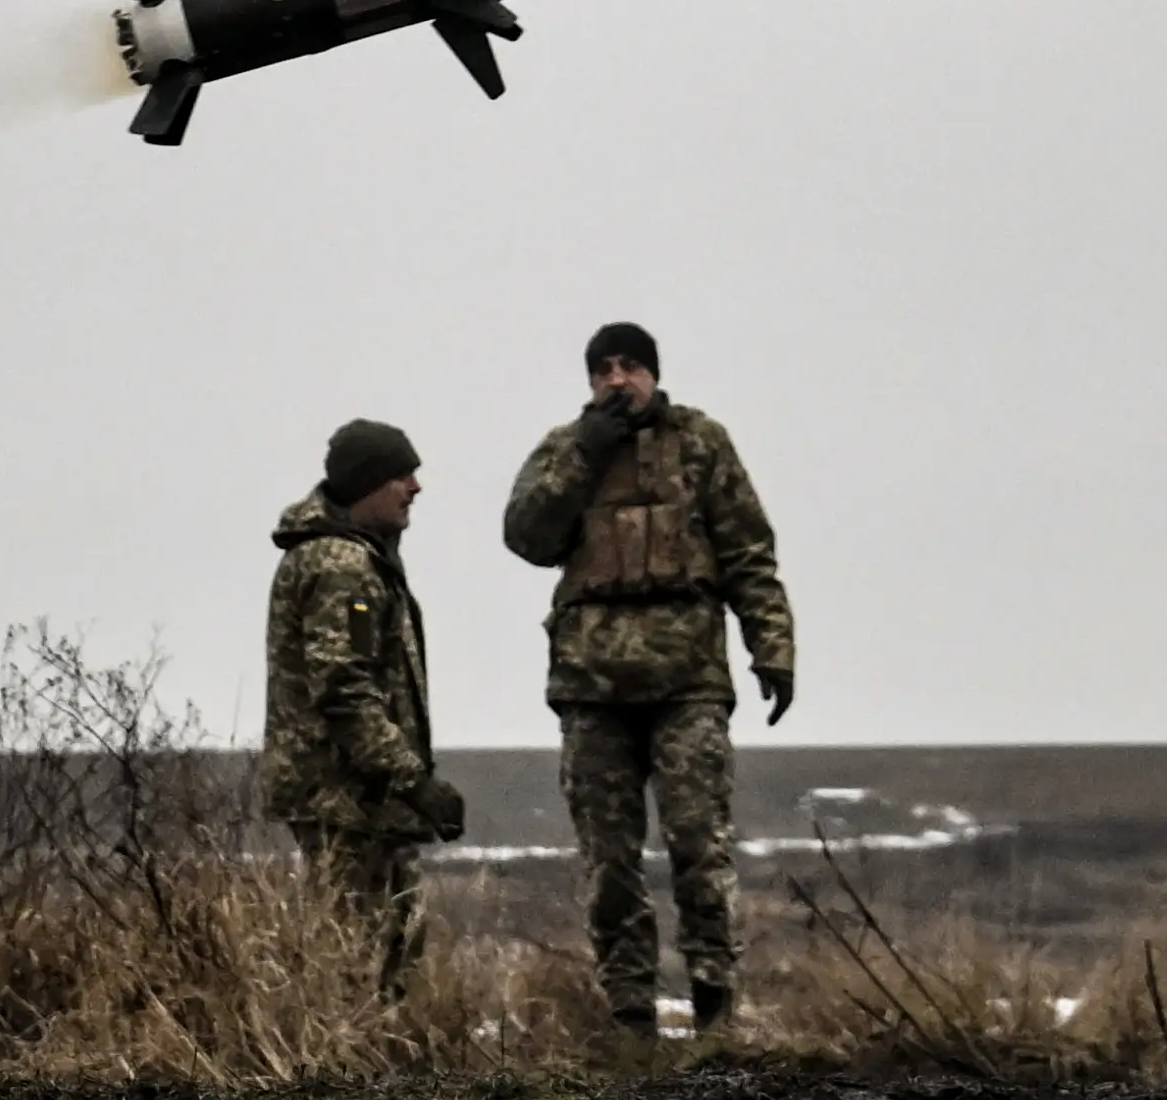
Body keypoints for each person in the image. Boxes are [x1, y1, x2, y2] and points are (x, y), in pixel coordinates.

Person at [499, 320, 793, 1044]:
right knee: (609, 861)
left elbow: (748, 551)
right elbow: (526, 536)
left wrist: (773, 647)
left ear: (654, 374)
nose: (616, 379)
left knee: (700, 845)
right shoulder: (566, 449)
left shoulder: (700, 443)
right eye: (603, 368)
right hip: (592, 686)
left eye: (630, 366)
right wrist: (585, 456)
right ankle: (630, 1018)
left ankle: (716, 1011)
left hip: (686, 680)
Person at [263, 417, 463, 994]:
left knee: (393, 942)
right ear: (366, 484)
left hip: (363, 798)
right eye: (402, 476)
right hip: (345, 799)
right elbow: (344, 690)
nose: (415, 488)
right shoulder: (340, 568)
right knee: (354, 955)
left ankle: (379, 1046)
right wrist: (412, 781)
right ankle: (343, 1050)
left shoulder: (354, 559)